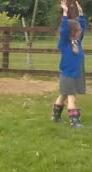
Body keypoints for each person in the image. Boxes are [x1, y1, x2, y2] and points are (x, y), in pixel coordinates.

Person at [51, 0, 87, 128]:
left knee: (63, 95)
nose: (80, 31)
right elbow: (64, 29)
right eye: (78, 30)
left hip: (76, 73)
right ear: (73, 32)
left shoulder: (77, 41)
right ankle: (74, 121)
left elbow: (83, 25)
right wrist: (65, 12)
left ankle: (55, 116)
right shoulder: (65, 43)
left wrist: (80, 11)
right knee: (72, 97)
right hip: (68, 74)